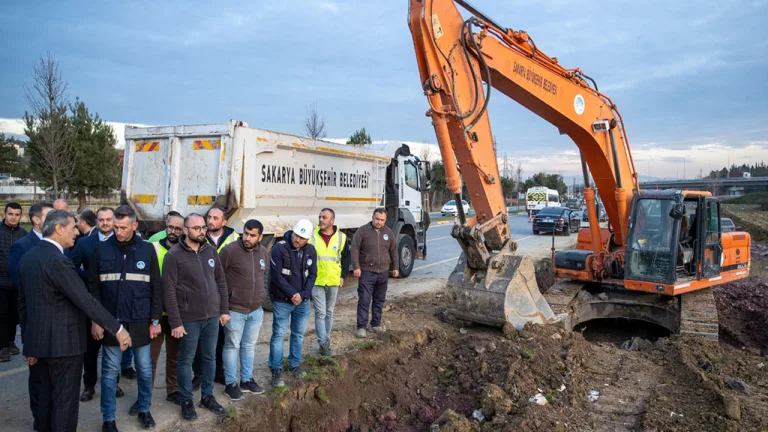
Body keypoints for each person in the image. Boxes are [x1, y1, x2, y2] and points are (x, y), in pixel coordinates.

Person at [17, 209, 132, 432]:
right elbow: (85, 300)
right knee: (65, 404)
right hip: (64, 347)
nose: (76, 233)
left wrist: (28, 346)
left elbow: (23, 307)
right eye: (72, 228)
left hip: (37, 346)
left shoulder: (28, 258)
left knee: (43, 400)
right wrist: (117, 328)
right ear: (59, 229)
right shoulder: (59, 261)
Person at [88, 205, 162, 431]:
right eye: (115, 227)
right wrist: (95, 320)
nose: (118, 231)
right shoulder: (101, 249)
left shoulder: (147, 250)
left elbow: (156, 288)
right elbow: (93, 289)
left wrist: (155, 320)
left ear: (134, 226)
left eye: (122, 227)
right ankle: (108, 419)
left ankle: (144, 409)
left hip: (140, 320)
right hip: (112, 321)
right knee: (110, 372)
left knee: (144, 369)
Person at [163, 213, 229, 421]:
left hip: (212, 316)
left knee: (209, 358)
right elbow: (169, 291)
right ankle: (186, 400)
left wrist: (224, 310)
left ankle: (207, 397)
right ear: (185, 231)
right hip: (188, 318)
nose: (203, 231)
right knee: (186, 360)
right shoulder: (173, 256)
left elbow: (220, 281)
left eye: (203, 227)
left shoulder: (210, 250)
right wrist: (175, 321)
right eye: (197, 228)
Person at [70, 207, 127, 402]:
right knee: (91, 349)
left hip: (115, 303)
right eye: (101, 220)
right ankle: (89, 385)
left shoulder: (122, 242)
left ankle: (114, 382)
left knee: (114, 346)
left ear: (114, 220)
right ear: (96, 221)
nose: (105, 223)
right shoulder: (85, 243)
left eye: (108, 219)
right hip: (91, 302)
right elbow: (71, 267)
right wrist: (93, 276)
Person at [219, 219, 268, 400]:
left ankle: (246, 380)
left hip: (255, 310)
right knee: (232, 346)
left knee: (249, 346)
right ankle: (230, 383)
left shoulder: (263, 252)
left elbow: (262, 276)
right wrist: (223, 309)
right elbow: (218, 279)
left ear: (260, 236)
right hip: (234, 310)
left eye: (252, 235)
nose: (247, 238)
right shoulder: (229, 251)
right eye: (245, 233)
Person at [268, 219, 317, 388]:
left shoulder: (310, 250)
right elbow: (276, 277)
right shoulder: (279, 248)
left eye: (302, 238)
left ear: (308, 239)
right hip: (282, 301)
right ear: (292, 232)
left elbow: (312, 275)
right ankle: (275, 369)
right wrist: (292, 294)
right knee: (279, 334)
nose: (298, 240)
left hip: (302, 302)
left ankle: (294, 365)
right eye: (297, 235)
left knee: (298, 334)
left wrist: (303, 295)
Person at [149, 212, 185, 405]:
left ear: (184, 230)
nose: (173, 231)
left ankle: (173, 390)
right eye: (170, 227)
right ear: (166, 225)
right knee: (150, 358)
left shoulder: (186, 250)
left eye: (178, 228)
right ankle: (145, 395)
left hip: (177, 315)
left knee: (174, 357)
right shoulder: (153, 248)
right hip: (155, 314)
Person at [204, 206, 239, 384]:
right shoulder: (200, 237)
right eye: (209, 217)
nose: (211, 221)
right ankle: (200, 374)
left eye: (215, 218)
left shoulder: (235, 239)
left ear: (224, 222)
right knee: (204, 338)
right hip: (205, 295)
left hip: (226, 295)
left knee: (223, 338)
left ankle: (220, 372)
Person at [308, 208, 350, 356]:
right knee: (320, 312)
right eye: (320, 217)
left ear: (332, 220)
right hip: (316, 280)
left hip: (333, 280)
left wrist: (342, 276)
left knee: (329, 312)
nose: (321, 220)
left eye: (324, 217)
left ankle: (326, 340)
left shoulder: (341, 237)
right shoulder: (312, 236)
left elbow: (345, 258)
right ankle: (324, 343)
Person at [351, 208, 398, 338]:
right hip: (367, 272)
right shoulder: (362, 231)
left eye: (382, 220)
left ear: (385, 220)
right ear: (372, 217)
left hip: (383, 272)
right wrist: (356, 267)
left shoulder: (388, 232)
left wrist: (396, 267)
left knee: (379, 300)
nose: (379, 222)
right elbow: (355, 248)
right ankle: (361, 327)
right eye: (377, 219)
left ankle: (376, 324)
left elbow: (393, 250)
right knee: (364, 299)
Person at [0, 202, 27, 362]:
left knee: (13, 314)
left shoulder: (23, 234)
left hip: (17, 282)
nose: (13, 217)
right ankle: (2, 346)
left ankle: (10, 341)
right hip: (1, 281)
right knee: (1, 314)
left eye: (17, 215)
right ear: (4, 214)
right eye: (10, 214)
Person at [9, 202, 53, 292]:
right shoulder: (21, 246)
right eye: (50, 217)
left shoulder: (61, 243)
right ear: (36, 220)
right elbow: (18, 281)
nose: (55, 220)